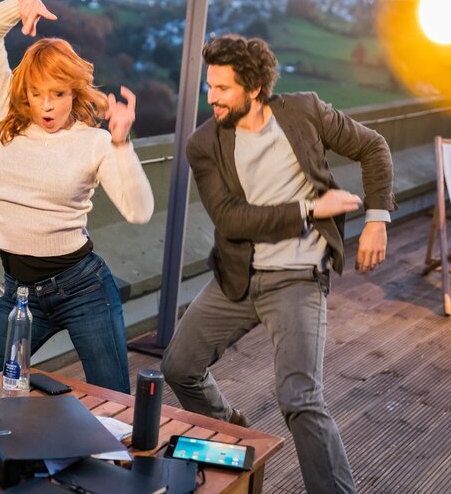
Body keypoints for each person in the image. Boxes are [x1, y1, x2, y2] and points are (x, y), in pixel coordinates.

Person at [161, 34, 396, 493]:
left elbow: (374, 146)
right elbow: (231, 219)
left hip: (297, 277)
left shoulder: (304, 112)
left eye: (222, 88)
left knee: (299, 398)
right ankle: (232, 428)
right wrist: (310, 209)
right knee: (178, 366)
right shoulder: (203, 143)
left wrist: (377, 219)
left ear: (253, 88)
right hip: (238, 276)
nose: (211, 97)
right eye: (210, 86)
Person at [0, 0, 154, 394]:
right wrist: (20, 3)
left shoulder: (94, 142)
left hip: (83, 289)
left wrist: (121, 144)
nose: (47, 106)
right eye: (36, 93)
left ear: (74, 91)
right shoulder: (3, 113)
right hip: (18, 295)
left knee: (114, 404)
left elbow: (139, 211)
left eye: (57, 93)